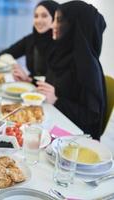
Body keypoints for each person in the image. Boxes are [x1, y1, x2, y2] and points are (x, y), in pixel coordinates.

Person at [37, 1, 107, 140]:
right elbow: (53, 90)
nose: (52, 25)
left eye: (59, 20)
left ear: (75, 25)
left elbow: (91, 117)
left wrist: (57, 100)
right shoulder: (61, 54)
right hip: (55, 121)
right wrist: (30, 81)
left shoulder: (87, 67)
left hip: (75, 140)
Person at [0, 0, 59, 82]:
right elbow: (3, 54)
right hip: (31, 89)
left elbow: (57, 82)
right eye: (36, 16)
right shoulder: (31, 39)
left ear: (55, 19)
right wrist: (14, 65)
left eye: (44, 16)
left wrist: (28, 80)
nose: (38, 20)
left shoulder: (61, 42)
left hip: (51, 92)